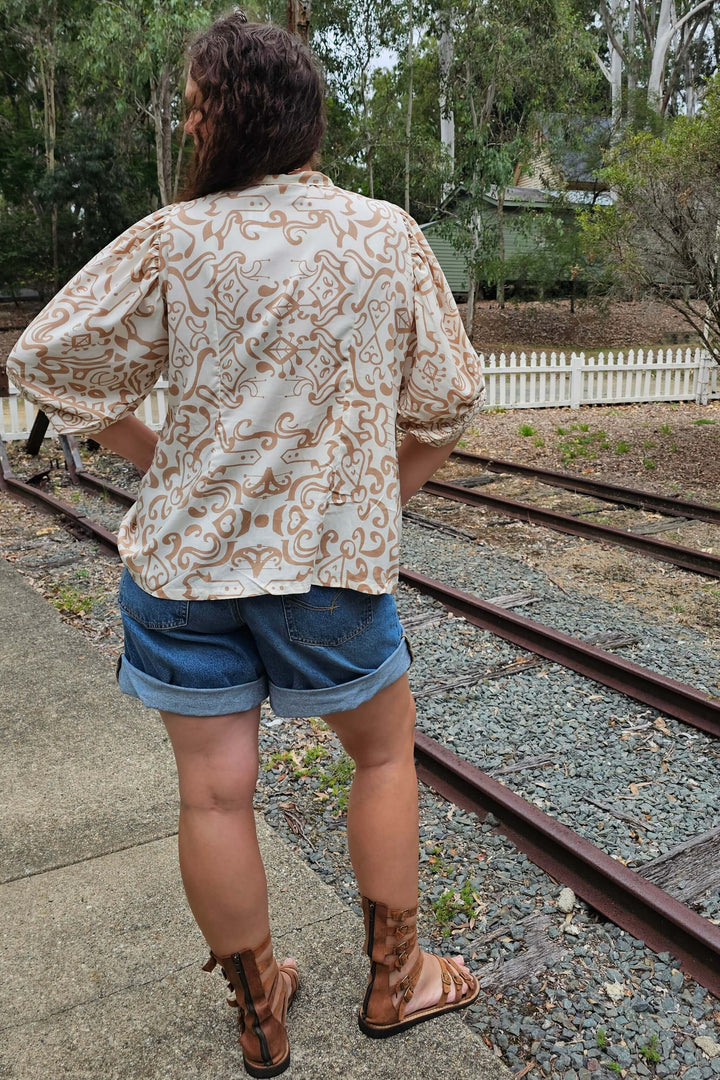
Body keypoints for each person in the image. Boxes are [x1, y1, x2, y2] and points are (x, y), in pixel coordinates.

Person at [8, 13, 484, 1079]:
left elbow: (43, 360)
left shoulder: (172, 239)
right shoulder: (382, 235)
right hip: (325, 574)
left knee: (214, 796)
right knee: (382, 755)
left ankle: (261, 1014)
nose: (187, 124)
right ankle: (398, 980)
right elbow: (451, 398)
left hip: (181, 573)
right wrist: (376, 494)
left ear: (232, 116)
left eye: (194, 107)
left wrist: (161, 460)